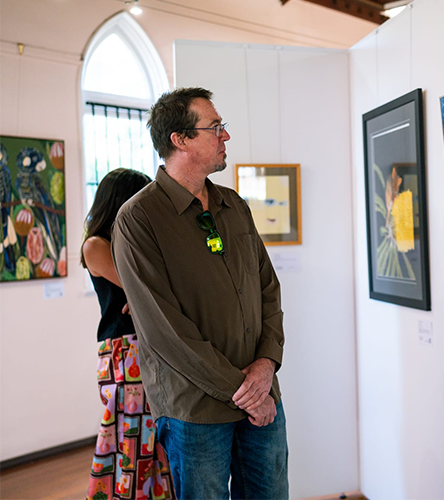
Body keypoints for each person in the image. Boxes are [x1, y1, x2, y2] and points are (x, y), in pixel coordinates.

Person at [111, 87, 288, 500]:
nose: (225, 136)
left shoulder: (233, 204)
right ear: (181, 139)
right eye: (216, 127)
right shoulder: (138, 219)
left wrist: (266, 365)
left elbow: (268, 289)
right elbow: (165, 331)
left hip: (261, 392)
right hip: (196, 410)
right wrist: (242, 391)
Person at [82, 168, 176, 500]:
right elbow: (142, 286)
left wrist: (144, 300)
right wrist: (142, 298)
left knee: (155, 438)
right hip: (123, 351)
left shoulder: (134, 245)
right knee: (130, 438)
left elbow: (158, 288)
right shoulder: (96, 245)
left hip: (147, 345)